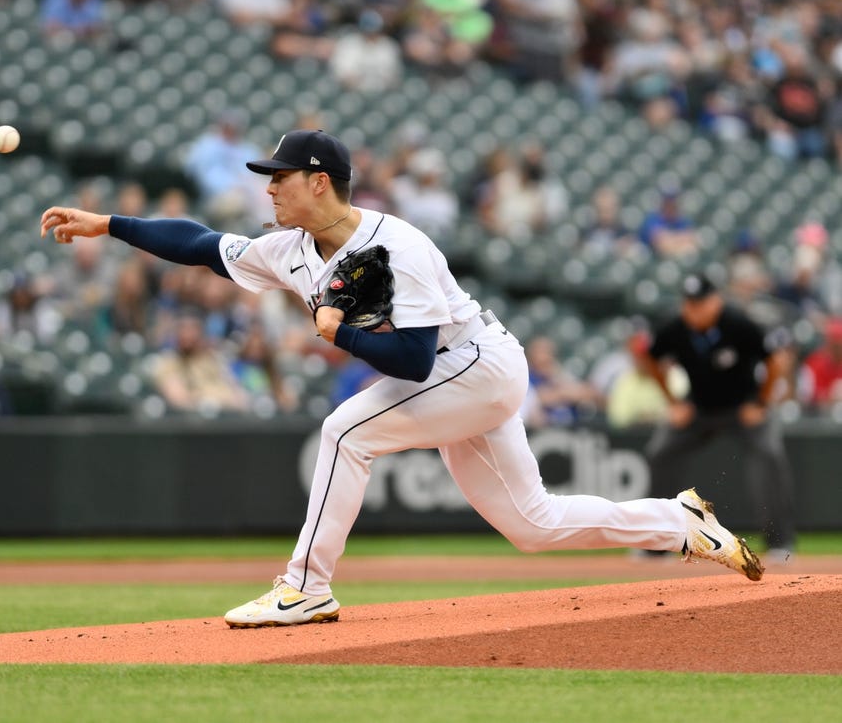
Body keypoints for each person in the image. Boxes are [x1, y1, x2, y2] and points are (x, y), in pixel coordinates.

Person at [40, 128, 764, 630]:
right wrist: (108, 223)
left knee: (345, 429)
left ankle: (305, 588)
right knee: (532, 524)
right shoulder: (291, 247)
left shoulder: (395, 247)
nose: (269, 190)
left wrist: (341, 335)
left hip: (474, 364)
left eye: (280, 179)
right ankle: (681, 521)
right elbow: (200, 244)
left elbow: (414, 360)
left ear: (318, 183)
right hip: (462, 374)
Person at [640, 273, 797, 562]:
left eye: (700, 303)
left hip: (742, 407)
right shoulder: (676, 328)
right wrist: (673, 402)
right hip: (698, 408)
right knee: (659, 453)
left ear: (715, 302)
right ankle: (655, 545)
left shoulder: (739, 323)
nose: (694, 310)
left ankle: (780, 542)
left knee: (770, 455)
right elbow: (649, 358)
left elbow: (776, 360)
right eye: (689, 304)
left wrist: (761, 402)